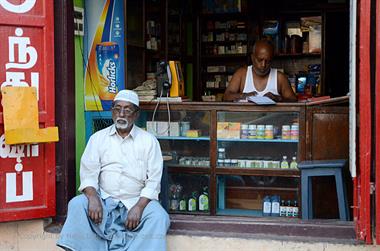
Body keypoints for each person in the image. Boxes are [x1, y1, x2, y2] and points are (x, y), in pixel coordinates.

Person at [57, 90, 170, 251]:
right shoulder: (98, 139)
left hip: (135, 200)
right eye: (117, 109)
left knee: (158, 216)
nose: (121, 114)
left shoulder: (148, 141)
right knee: (77, 204)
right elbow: (88, 173)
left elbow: (153, 181)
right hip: (103, 201)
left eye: (127, 110)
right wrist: (93, 197)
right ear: (112, 111)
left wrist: (138, 207)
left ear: (136, 114)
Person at [224, 39, 297, 102]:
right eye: (260, 60)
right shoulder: (242, 74)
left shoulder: (279, 77)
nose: (263, 65)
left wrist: (278, 98)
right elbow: (226, 97)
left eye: (267, 61)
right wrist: (244, 96)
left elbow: (293, 100)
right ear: (252, 58)